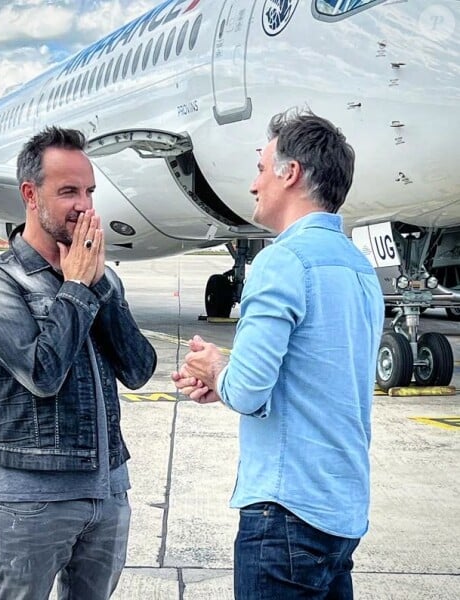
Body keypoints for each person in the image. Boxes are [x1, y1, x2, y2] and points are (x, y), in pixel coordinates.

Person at [172, 109, 384, 599]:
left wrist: (219, 369)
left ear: (291, 174)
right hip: (342, 510)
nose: (253, 184)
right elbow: (317, 374)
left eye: (262, 168)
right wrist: (227, 376)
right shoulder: (359, 268)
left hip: (286, 514)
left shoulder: (281, 260)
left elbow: (247, 392)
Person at [0, 126, 157, 600]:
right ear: (30, 195)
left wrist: (98, 286)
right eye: (68, 191)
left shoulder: (100, 277)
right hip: (33, 497)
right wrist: (74, 289)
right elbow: (43, 375)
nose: (84, 205)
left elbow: (138, 369)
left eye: (89, 191)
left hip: (107, 489)